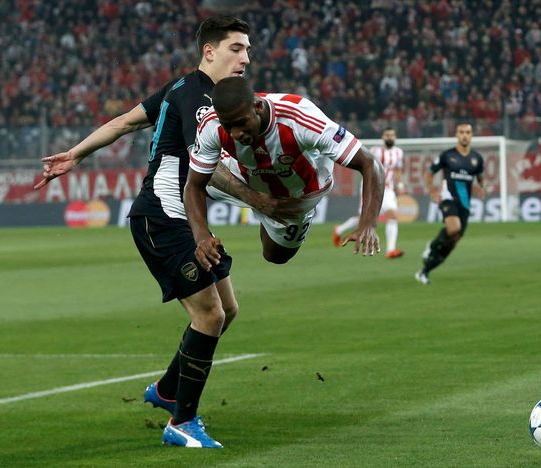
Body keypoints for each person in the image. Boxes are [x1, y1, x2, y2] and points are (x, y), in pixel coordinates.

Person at [34, 15, 295, 448]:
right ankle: (182, 423)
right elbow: (207, 174)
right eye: (237, 48)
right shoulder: (199, 101)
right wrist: (263, 202)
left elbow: (123, 123)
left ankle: (168, 390)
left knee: (227, 311)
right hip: (165, 218)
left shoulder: (182, 87)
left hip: (177, 217)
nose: (246, 57)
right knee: (209, 315)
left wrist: (75, 154)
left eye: (248, 49)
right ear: (209, 51)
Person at [185, 76, 385, 267]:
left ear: (258, 107)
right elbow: (194, 186)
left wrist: (368, 223)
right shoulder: (212, 123)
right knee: (192, 173)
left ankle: (278, 218)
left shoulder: (300, 117)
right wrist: (201, 236)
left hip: (298, 193)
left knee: (275, 255)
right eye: (228, 126)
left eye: (241, 123)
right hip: (245, 174)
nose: (236, 133)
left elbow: (370, 164)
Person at [415, 123, 485, 285]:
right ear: (457, 135)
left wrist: (481, 187)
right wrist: (432, 190)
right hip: (448, 198)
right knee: (454, 228)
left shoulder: (477, 159)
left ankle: (424, 271)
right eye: (462, 132)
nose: (465, 135)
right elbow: (429, 173)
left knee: (452, 242)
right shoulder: (447, 155)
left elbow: (480, 178)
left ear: (471, 135)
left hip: (465, 204)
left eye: (468, 132)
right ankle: (432, 246)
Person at [333, 127, 405, 259]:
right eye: (387, 135)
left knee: (393, 216)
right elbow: (368, 167)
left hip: (388, 188)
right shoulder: (376, 151)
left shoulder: (399, 153)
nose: (390, 137)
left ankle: (390, 250)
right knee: (363, 218)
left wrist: (400, 184)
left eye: (392, 135)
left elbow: (398, 170)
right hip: (372, 186)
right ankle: (339, 230)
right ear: (383, 137)